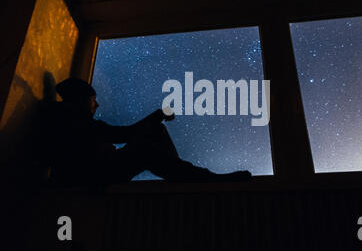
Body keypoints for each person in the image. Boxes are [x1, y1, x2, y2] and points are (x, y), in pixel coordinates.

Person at [42, 78, 251, 187]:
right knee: (145, 150)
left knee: (155, 132)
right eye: (92, 99)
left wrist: (157, 117)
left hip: (98, 170)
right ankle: (197, 178)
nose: (96, 104)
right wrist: (158, 114)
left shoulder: (72, 121)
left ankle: (181, 175)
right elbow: (125, 134)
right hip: (93, 176)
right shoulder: (73, 122)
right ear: (80, 99)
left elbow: (124, 134)